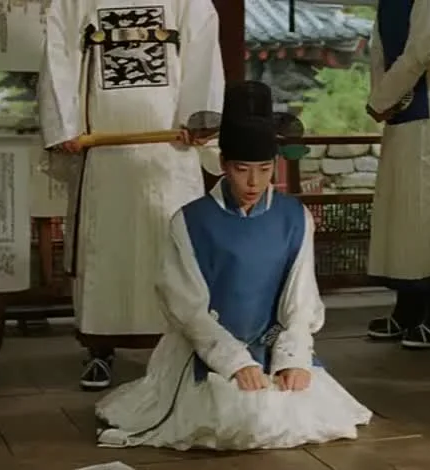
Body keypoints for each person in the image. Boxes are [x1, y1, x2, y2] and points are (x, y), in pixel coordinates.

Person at [94, 81, 372, 451]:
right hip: (207, 348)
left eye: (264, 169)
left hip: (272, 344)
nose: (254, 182)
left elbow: (300, 300)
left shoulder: (294, 217)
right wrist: (235, 362)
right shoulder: (190, 221)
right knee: (238, 420)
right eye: (242, 169)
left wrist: (293, 358)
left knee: (294, 413)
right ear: (224, 164)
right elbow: (188, 310)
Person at [37, 0, 225, 391]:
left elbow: (202, 49)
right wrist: (65, 125)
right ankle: (99, 349)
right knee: (104, 249)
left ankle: (186, 347)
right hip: (104, 150)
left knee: (173, 246)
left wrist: (199, 120)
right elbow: (59, 53)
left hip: (169, 149)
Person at [365, 0, 430, 350]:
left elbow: (425, 48)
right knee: (403, 216)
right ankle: (408, 307)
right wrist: (381, 98)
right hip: (399, 114)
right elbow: (378, 51)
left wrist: (382, 98)